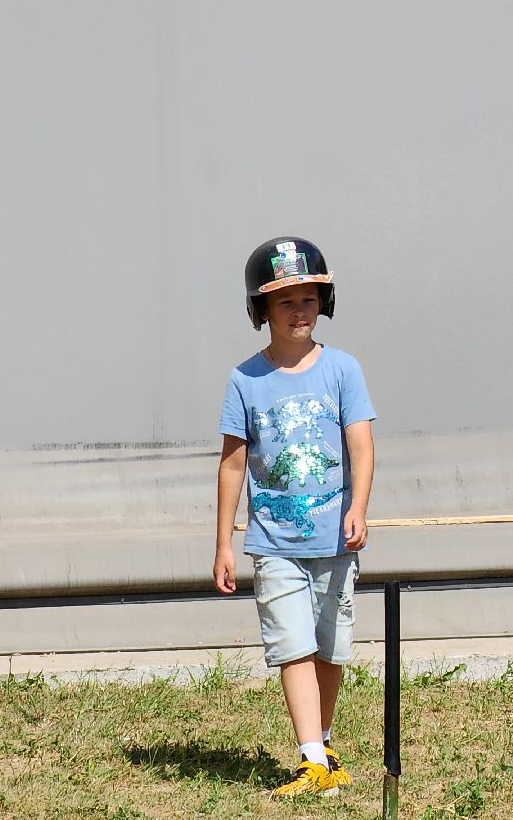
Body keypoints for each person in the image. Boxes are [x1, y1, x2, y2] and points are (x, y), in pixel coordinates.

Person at [212, 236, 376, 798]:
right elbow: (233, 464)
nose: (299, 310)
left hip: (336, 541)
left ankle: (323, 746)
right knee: (293, 647)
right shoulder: (245, 380)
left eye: (308, 298)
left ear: (324, 302)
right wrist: (224, 542)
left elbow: (361, 446)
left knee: (330, 649)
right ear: (262, 310)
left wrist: (358, 508)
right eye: (285, 301)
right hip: (275, 543)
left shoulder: (343, 370)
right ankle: (310, 759)